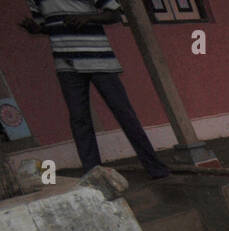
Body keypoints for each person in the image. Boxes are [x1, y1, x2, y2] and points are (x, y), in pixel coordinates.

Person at [21, 1, 170, 179]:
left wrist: (88, 17)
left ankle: (154, 167)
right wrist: (36, 30)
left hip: (99, 59)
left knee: (124, 113)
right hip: (66, 64)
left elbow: (114, 13)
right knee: (79, 119)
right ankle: (94, 174)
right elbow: (47, 26)